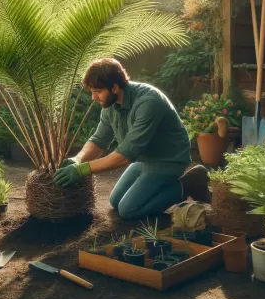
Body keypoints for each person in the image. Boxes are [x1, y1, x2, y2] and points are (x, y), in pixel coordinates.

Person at [54, 58, 210, 219]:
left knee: (128, 210)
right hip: (143, 158)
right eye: (92, 92)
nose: (93, 98)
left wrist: (82, 170)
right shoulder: (110, 104)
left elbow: (123, 157)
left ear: (114, 88)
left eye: (98, 91)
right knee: (115, 201)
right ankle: (164, 186)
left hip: (169, 158)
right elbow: (99, 140)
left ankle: (189, 184)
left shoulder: (148, 102)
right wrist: (77, 160)